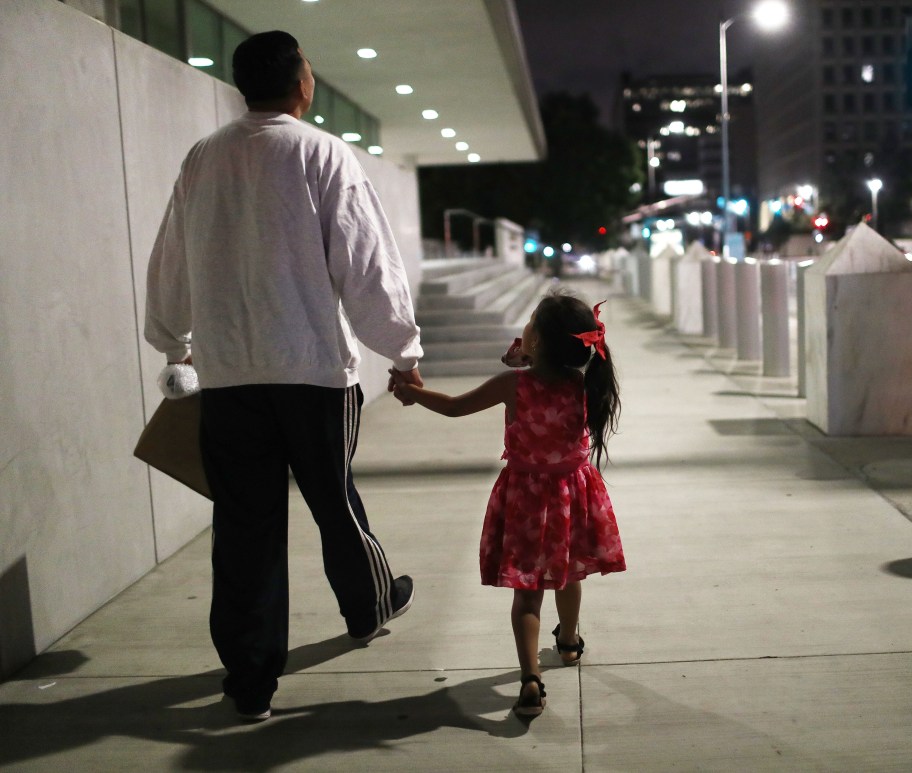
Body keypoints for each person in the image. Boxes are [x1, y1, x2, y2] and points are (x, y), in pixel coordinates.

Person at [144, 30, 423, 722]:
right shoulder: (323, 151)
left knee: (244, 528)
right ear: (301, 83)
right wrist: (403, 350)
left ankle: (249, 682)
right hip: (314, 374)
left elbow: (172, 257)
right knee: (335, 501)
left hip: (230, 376)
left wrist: (172, 338)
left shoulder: (203, 158)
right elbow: (365, 262)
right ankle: (368, 606)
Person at [392, 291, 626, 717]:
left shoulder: (513, 386)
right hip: (572, 493)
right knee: (569, 572)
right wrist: (532, 355)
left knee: (528, 593)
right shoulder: (585, 383)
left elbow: (456, 406)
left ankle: (530, 680)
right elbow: (553, 366)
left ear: (537, 339)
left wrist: (414, 393)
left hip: (526, 499)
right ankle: (569, 643)